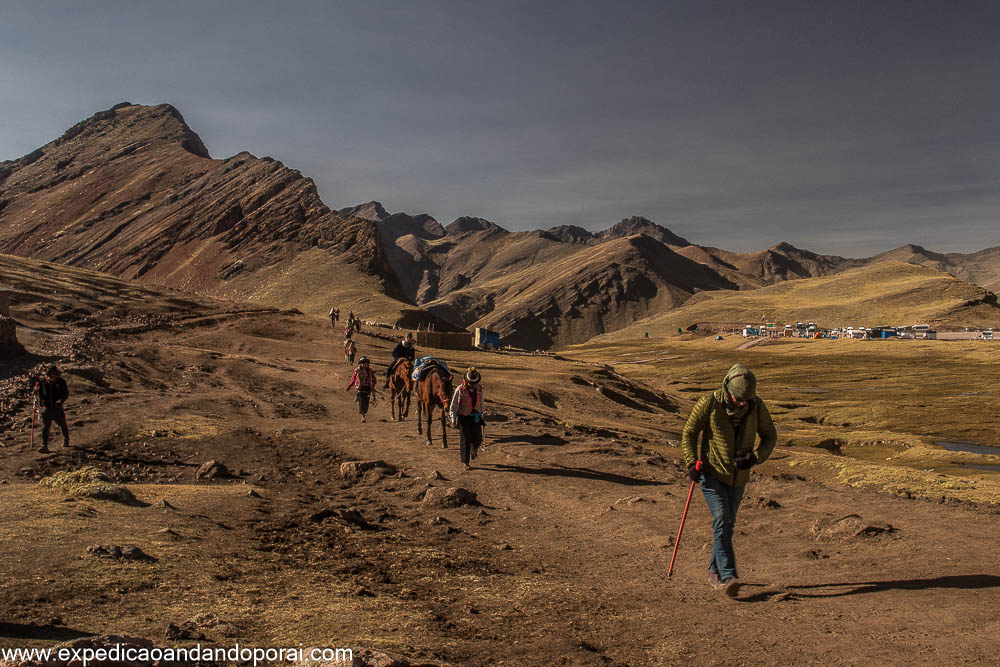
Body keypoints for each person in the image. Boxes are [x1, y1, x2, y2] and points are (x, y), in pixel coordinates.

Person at [680, 364, 777, 597]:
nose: (742, 403)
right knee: (722, 518)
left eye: (747, 399)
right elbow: (689, 432)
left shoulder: (757, 406)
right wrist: (691, 462)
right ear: (728, 389)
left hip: (739, 477)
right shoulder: (709, 403)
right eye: (738, 399)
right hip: (712, 473)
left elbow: (770, 435)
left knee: (726, 524)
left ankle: (714, 573)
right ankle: (728, 575)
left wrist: (755, 458)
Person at [449, 367, 484, 470]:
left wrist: (482, 414)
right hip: (463, 417)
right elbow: (454, 405)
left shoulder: (480, 389)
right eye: (470, 383)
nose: (472, 385)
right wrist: (452, 418)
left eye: (474, 383)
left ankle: (474, 447)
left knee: (478, 438)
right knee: (465, 439)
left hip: (476, 417)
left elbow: (481, 402)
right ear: (466, 381)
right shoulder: (459, 389)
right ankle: (465, 462)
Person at [37, 365, 70, 452]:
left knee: (62, 424)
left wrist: (60, 401)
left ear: (56, 374)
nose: (52, 375)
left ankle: (66, 440)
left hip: (57, 408)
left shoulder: (61, 382)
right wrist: (41, 404)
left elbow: (65, 393)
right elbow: (40, 394)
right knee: (45, 427)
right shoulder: (42, 382)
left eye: (53, 374)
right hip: (46, 408)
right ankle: (44, 446)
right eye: (50, 374)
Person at [345, 356, 377, 423]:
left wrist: (373, 386)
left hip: (368, 388)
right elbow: (353, 379)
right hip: (360, 388)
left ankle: (364, 413)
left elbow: (374, 379)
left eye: (366, 363)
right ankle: (363, 417)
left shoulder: (370, 371)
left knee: (366, 403)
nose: (365, 364)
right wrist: (349, 386)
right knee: (361, 402)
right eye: (363, 363)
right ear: (361, 363)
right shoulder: (357, 370)